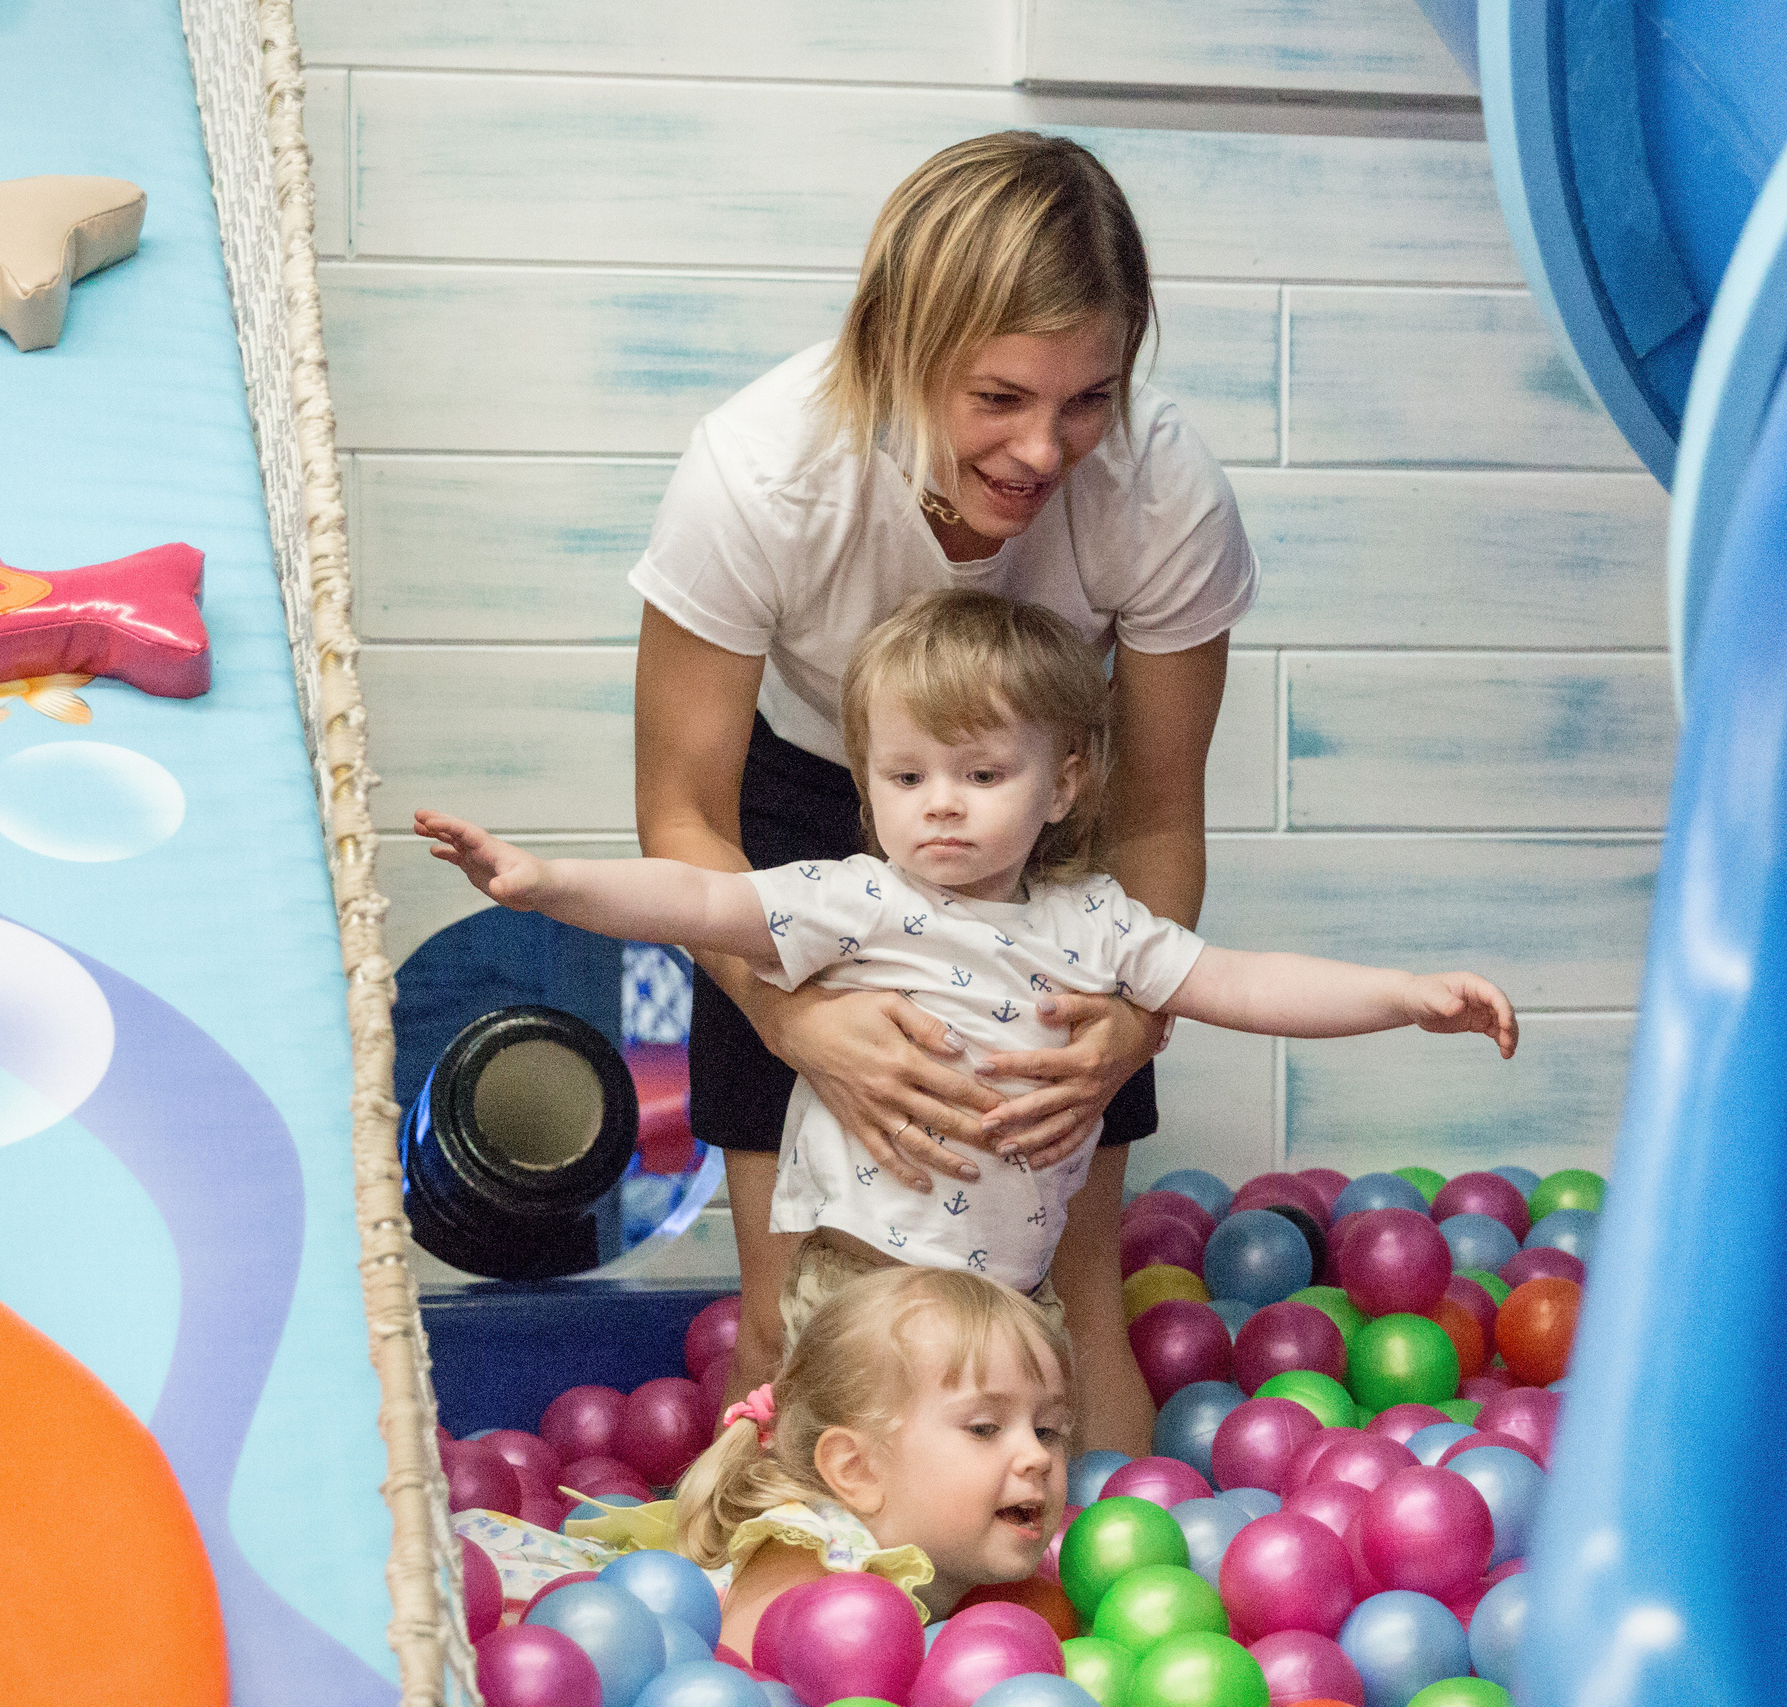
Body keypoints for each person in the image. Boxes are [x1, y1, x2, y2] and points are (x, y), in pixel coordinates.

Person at [417, 591, 1520, 1378]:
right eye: (906, 776)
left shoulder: (1095, 922)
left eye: (982, 774)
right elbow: (696, 902)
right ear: (866, 783)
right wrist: (544, 882)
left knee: (992, 1485)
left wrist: (1400, 996)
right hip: (859, 1284)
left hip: (1008, 1295)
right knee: (839, 1488)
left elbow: (1242, 981)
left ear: (1063, 782)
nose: (939, 803)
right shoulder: (853, 901)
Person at [620, 129, 1258, 1453]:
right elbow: (684, 815)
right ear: (895, 346)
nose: (1044, 449)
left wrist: (1128, 1022)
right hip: (795, 812)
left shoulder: (1162, 490)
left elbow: (1152, 812)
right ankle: (799, 1623)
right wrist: (793, 1014)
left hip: (1038, 813)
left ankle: (1082, 1625)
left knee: (1059, 1305)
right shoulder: (759, 472)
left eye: (1088, 398)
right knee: (806, 1311)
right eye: (999, 397)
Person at [451, 1265, 1072, 1655]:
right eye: (985, 1427)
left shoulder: (982, 1567)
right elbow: (732, 1681)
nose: (1036, 1456)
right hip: (524, 1617)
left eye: (1048, 1429)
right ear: (856, 1471)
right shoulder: (813, 1555)